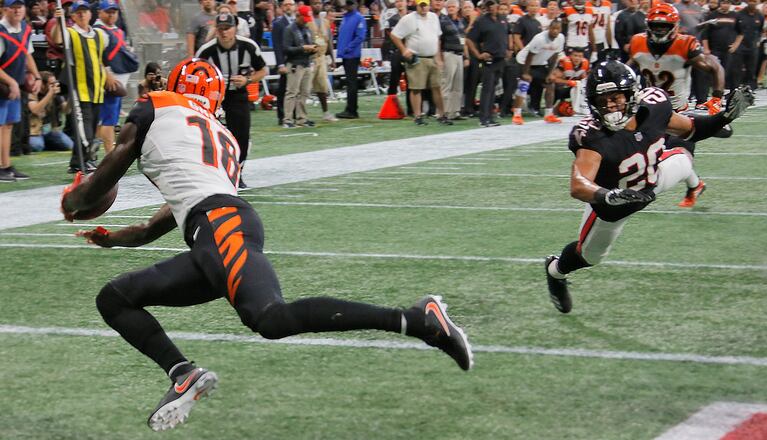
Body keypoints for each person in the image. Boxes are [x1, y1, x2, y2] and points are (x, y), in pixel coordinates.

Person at [60, 57, 473, 432]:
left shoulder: (157, 104)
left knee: (271, 319)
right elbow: (161, 222)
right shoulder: (222, 137)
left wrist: (75, 202)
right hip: (215, 228)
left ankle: (416, 319)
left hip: (219, 226)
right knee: (115, 298)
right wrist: (112, 239)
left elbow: (113, 165)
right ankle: (183, 373)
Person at [543, 60, 752, 314]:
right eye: (603, 101)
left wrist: (724, 117)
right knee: (590, 257)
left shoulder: (655, 106)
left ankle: (691, 183)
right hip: (616, 204)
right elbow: (578, 185)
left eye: (616, 98)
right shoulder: (591, 135)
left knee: (685, 161)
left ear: (632, 95)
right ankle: (555, 270)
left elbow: (692, 129)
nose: (610, 107)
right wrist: (609, 196)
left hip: (653, 179)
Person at [628, 4, 726, 207]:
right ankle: (696, 185)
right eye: (656, 25)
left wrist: (716, 99)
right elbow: (630, 68)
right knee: (642, 154)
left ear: (674, 26)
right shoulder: (637, 42)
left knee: (679, 157)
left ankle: (691, 185)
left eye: (664, 26)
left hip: (678, 114)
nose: (659, 30)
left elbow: (715, 68)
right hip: (650, 111)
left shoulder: (685, 44)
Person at [196, 10, 266, 188]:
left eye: (228, 28)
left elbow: (263, 70)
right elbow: (196, 72)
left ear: (235, 28)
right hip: (214, 98)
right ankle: (210, 173)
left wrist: (248, 80)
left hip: (237, 95)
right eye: (220, 28)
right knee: (207, 135)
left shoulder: (248, 46)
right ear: (216, 29)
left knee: (241, 135)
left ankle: (238, 173)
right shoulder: (206, 50)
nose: (224, 32)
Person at [50, 0, 117, 174]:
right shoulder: (70, 33)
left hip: (97, 90)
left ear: (90, 14)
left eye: (84, 11)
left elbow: (102, 59)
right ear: (72, 16)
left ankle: (78, 162)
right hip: (80, 90)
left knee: (91, 128)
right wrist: (59, 21)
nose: (81, 14)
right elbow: (57, 39)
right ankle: (84, 159)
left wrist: (107, 76)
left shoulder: (99, 35)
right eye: (77, 12)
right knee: (84, 131)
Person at [391, 0, 452, 125]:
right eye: (421, 5)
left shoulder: (434, 17)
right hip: (417, 58)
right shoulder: (408, 19)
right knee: (416, 88)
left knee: (437, 87)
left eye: (426, 5)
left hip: (432, 58)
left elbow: (437, 38)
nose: (424, 8)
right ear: (416, 6)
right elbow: (394, 35)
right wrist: (404, 50)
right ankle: (418, 116)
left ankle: (442, 115)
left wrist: (438, 57)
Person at [0, 0, 41, 182]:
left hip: (12, 88)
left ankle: (6, 165)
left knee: (8, 126)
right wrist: (12, 83)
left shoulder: (25, 29)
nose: (17, 11)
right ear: (5, 10)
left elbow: (26, 54)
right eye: (12, 7)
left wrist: (37, 76)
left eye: (20, 7)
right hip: (4, 87)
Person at [94, 0, 136, 154]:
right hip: (110, 83)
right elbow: (96, 57)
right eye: (108, 12)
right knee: (109, 120)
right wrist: (107, 76)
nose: (112, 15)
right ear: (100, 12)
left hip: (119, 81)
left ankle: (93, 151)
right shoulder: (98, 31)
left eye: (114, 11)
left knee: (107, 119)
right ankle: (109, 154)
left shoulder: (117, 30)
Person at [466, 0, 508, 127]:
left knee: (493, 88)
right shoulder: (481, 21)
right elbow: (469, 39)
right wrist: (478, 55)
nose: (491, 7)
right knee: (487, 88)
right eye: (488, 5)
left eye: (493, 4)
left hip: (500, 58)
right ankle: (484, 118)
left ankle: (489, 116)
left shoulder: (503, 19)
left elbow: (507, 34)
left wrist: (509, 48)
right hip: (489, 59)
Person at [516, 19, 565, 123]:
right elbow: (530, 56)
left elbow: (555, 57)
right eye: (553, 28)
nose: (555, 31)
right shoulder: (540, 38)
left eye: (558, 29)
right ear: (549, 28)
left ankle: (549, 115)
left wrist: (550, 73)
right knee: (524, 84)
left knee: (550, 83)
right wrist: (525, 73)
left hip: (540, 63)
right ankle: (517, 115)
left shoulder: (561, 38)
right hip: (524, 62)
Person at [281, 4, 315, 128]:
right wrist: (303, 48)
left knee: (304, 93)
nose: (305, 21)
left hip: (306, 64)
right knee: (292, 92)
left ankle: (302, 118)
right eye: (304, 18)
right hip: (295, 65)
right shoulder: (289, 29)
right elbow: (286, 49)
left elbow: (309, 44)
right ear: (298, 15)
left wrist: (313, 48)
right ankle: (288, 119)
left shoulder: (307, 29)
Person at [701, 0, 741, 93]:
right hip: (715, 49)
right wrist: (706, 48)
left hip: (728, 50)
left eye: (727, 3)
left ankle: (719, 95)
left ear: (730, 4)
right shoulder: (712, 15)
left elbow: (741, 33)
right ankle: (709, 94)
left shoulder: (735, 16)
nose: (725, 5)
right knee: (713, 72)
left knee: (724, 73)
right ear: (720, 4)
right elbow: (705, 33)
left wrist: (735, 45)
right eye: (723, 3)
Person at [335, 0, 366, 119]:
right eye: (348, 3)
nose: (348, 5)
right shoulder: (346, 17)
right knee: (349, 82)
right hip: (346, 54)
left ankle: (352, 110)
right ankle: (350, 108)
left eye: (351, 3)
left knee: (351, 82)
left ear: (355, 4)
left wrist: (348, 48)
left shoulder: (358, 18)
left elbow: (360, 37)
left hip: (352, 55)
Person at [28, 71, 72, 152]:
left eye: (55, 82)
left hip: (50, 131)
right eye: (51, 83)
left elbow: (66, 111)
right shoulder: (33, 92)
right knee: (36, 146)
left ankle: (47, 143)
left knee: (69, 145)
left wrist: (70, 99)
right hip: (35, 132)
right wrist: (50, 93)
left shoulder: (56, 94)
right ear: (42, 85)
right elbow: (35, 110)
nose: (55, 85)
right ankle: (46, 143)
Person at [308, 0, 337, 122]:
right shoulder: (307, 21)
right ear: (311, 5)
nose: (317, 5)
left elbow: (329, 40)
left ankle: (326, 112)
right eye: (315, 3)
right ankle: (298, 115)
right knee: (304, 88)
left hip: (321, 57)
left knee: (322, 86)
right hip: (309, 58)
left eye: (319, 3)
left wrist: (333, 59)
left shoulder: (325, 22)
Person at [438, 0, 466, 120]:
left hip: (459, 54)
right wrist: (439, 57)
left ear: (458, 8)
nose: (451, 8)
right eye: (449, 6)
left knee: (457, 85)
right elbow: (439, 40)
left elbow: (463, 40)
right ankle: (443, 112)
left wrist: (465, 56)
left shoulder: (460, 22)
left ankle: (455, 111)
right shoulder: (443, 22)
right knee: (446, 84)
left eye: (453, 6)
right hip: (448, 54)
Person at [730, 0, 765, 89]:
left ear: (757, 3)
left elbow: (760, 30)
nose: (752, 3)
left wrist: (757, 41)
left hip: (752, 46)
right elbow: (734, 30)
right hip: (740, 46)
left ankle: (750, 90)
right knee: (737, 70)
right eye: (750, 1)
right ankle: (735, 90)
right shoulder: (739, 14)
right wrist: (735, 44)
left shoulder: (760, 16)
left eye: (754, 1)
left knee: (751, 70)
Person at [271, 0, 294, 125]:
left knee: (294, 90)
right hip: (285, 61)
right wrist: (280, 63)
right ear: (282, 7)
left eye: (290, 4)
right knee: (284, 89)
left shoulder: (297, 21)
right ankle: (281, 115)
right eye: (286, 5)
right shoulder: (279, 24)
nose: (288, 7)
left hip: (296, 61)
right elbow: (277, 45)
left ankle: (293, 114)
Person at [548, 46, 588, 116]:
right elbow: (553, 79)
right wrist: (568, 82)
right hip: (558, 89)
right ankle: (550, 108)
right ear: (570, 56)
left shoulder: (584, 64)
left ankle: (581, 108)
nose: (577, 58)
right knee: (553, 87)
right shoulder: (564, 63)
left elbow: (584, 80)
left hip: (570, 89)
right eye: (575, 55)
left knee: (584, 88)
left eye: (580, 56)